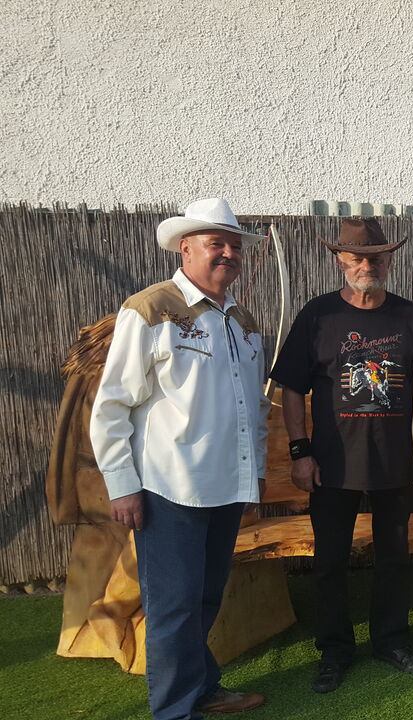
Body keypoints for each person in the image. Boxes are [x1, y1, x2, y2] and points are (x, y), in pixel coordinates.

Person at [90, 198, 270, 719]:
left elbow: (254, 407)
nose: (228, 253)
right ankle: (175, 710)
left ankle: (202, 689)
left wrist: (255, 474)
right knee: (173, 606)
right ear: (185, 248)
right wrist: (122, 484)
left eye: (235, 245)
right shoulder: (150, 309)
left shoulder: (242, 320)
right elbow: (113, 405)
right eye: (216, 244)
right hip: (169, 488)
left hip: (227, 485)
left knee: (206, 598)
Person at [268, 218, 413, 692]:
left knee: (394, 557)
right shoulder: (318, 316)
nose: (367, 266)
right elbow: (292, 387)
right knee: (330, 561)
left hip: (395, 462)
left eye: (376, 257)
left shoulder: (409, 317)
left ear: (389, 260)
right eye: (357, 257)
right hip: (332, 465)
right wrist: (300, 452)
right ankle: (335, 651)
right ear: (340, 260)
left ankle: (390, 641)